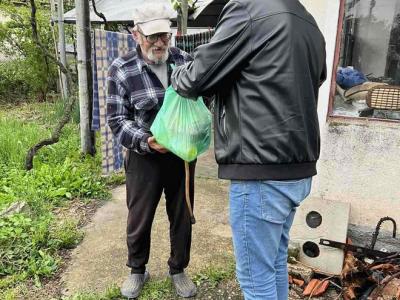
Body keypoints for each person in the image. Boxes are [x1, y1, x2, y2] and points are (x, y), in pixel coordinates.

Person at [171, 0, 327, 299]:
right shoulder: (308, 21)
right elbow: (314, 79)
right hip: (297, 166)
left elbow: (197, 78)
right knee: (273, 263)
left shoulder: (248, 9)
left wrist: (178, 72)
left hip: (261, 167)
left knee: (255, 279)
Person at [106, 3, 197, 299]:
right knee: (139, 216)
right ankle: (137, 269)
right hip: (143, 155)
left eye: (165, 36)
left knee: (182, 213)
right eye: (152, 36)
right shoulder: (122, 69)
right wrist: (147, 141)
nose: (160, 43)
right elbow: (118, 120)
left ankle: (178, 269)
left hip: (182, 155)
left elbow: (199, 102)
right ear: (136, 34)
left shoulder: (184, 61)